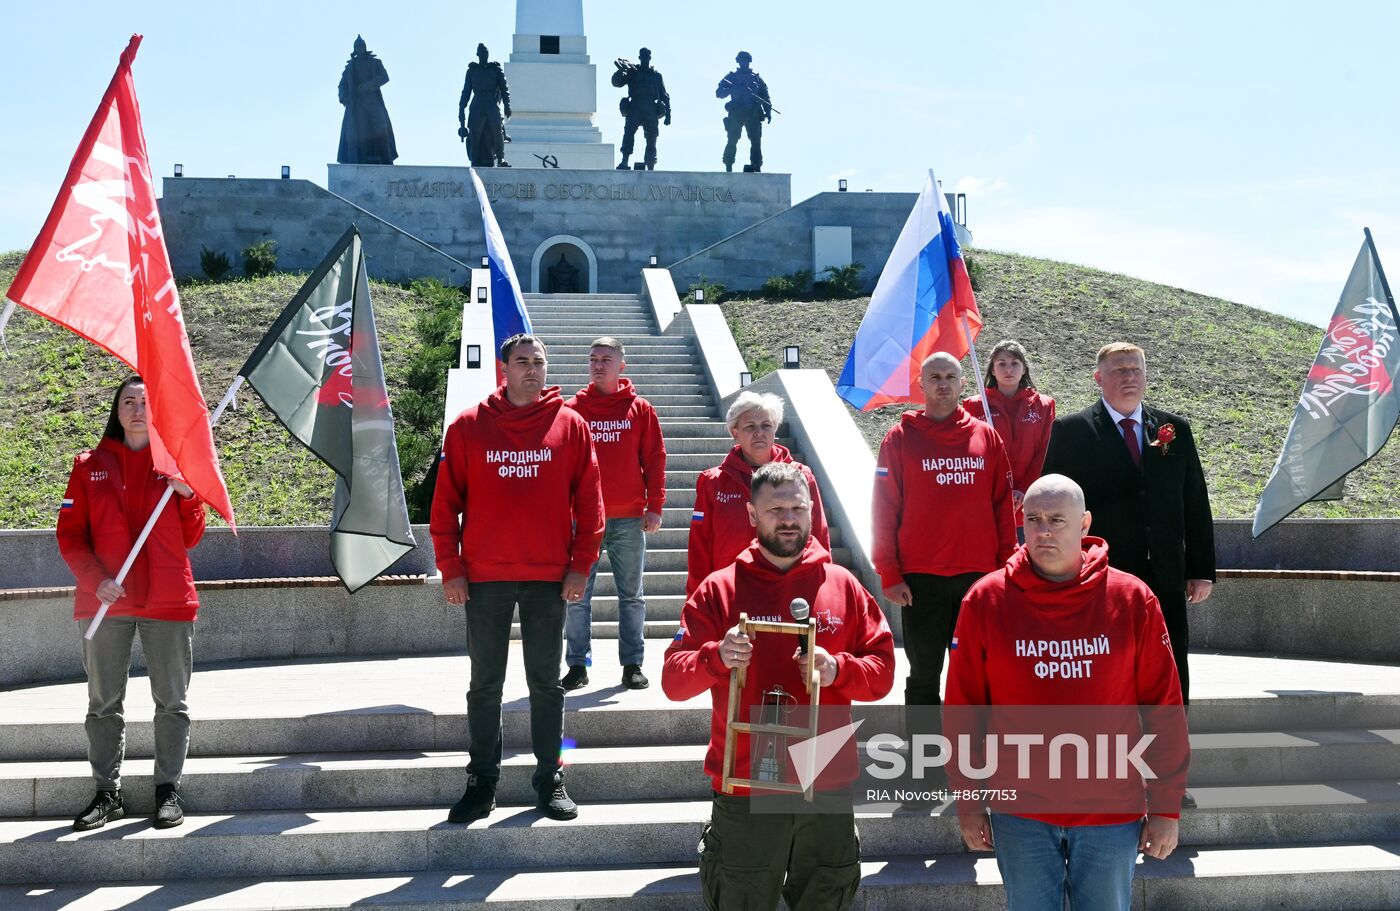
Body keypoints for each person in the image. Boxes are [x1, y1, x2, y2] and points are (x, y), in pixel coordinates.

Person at [945, 474, 1189, 911]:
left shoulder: (1132, 599)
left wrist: (1167, 806)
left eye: (1057, 519)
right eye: (1033, 519)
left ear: (1084, 523)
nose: (1043, 531)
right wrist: (968, 800)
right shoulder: (985, 600)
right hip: (1020, 814)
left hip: (1111, 813)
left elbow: (1163, 709)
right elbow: (964, 711)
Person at [663, 462, 895, 911]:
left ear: (812, 510)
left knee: (827, 899)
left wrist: (839, 669)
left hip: (823, 780)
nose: (788, 519)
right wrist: (716, 656)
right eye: (775, 510)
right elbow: (674, 679)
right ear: (751, 515)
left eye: (797, 507)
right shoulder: (720, 590)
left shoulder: (843, 586)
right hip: (748, 784)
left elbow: (882, 672)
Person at [430, 333, 604, 823]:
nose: (533, 369)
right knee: (485, 685)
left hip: (550, 578)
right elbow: (445, 505)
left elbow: (591, 503)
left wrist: (580, 566)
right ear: (503, 369)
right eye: (523, 361)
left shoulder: (570, 426)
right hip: (484, 578)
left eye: (540, 361)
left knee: (547, 685)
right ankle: (481, 781)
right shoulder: (468, 427)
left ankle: (550, 777)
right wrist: (451, 568)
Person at [57, 376, 207, 831]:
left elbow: (192, 537)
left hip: (167, 599)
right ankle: (108, 793)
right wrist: (95, 579)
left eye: (145, 400)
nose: (138, 408)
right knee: (103, 703)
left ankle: (168, 790)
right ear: (117, 410)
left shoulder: (176, 467)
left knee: (172, 703)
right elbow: (70, 535)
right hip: (106, 602)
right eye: (128, 401)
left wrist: (187, 494)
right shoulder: (89, 465)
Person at [872, 352, 1015, 795]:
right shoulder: (899, 438)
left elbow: (1002, 508)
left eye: (951, 376)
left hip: (979, 580)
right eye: (934, 377)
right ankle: (924, 772)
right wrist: (889, 572)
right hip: (921, 582)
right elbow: (884, 509)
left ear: (961, 383)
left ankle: (978, 771)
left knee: (980, 679)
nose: (943, 384)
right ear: (921, 382)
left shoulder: (986, 438)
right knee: (924, 677)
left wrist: (1008, 569)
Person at [1041, 342, 1215, 706]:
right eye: (1120, 370)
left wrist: (1201, 569)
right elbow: (1053, 507)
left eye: (1136, 369)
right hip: (1103, 576)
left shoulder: (1174, 429)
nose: (1130, 377)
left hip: (1165, 574)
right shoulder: (1071, 431)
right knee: (1109, 668)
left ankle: (1170, 749)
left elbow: (1195, 501)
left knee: (1169, 666)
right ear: (1098, 378)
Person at [562, 337, 667, 691]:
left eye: (606, 359)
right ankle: (577, 665)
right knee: (577, 596)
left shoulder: (640, 408)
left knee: (632, 595)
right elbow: (562, 463)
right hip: (584, 519)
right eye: (593, 359)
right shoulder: (573, 408)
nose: (598, 365)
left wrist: (655, 506)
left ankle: (632, 664)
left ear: (622, 365)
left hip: (627, 518)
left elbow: (654, 459)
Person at [687, 391, 829, 596]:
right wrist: (697, 599)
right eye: (750, 427)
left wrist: (825, 587)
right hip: (732, 591)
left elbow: (820, 537)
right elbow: (699, 547)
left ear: (775, 429)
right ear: (735, 432)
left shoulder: (802, 476)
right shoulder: (713, 482)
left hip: (790, 590)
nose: (759, 433)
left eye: (766, 426)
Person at [962, 339, 1055, 537]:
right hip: (988, 504)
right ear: (993, 370)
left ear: (1024, 369)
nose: (1008, 369)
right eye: (1001, 364)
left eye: (1014, 363)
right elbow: (971, 456)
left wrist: (1023, 489)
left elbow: (1044, 452)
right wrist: (1000, 491)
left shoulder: (1044, 405)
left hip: (1030, 505)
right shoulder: (974, 406)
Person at [337, 36, 399, 165]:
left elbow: (384, 77)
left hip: (373, 103)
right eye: (357, 47)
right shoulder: (350, 68)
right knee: (361, 134)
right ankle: (362, 161)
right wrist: (344, 98)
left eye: (362, 46)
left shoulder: (375, 63)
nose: (360, 49)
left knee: (381, 129)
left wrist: (367, 85)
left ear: (365, 48)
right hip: (357, 106)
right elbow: (342, 85)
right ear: (354, 49)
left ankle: (386, 160)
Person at [612, 47, 671, 171]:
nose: (644, 57)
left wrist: (668, 115)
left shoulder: (656, 75)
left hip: (650, 108)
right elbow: (617, 83)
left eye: (647, 55)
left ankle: (650, 165)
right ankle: (624, 161)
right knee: (628, 132)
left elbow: (664, 95)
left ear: (650, 57)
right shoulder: (632, 72)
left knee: (652, 137)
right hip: (635, 106)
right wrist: (620, 71)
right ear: (639, 57)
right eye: (642, 55)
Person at [715, 50, 772, 173]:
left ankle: (757, 166)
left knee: (756, 141)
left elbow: (765, 96)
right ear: (738, 61)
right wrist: (732, 89)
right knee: (732, 140)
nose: (743, 63)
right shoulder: (731, 77)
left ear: (749, 62)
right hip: (736, 112)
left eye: (745, 61)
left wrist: (768, 112)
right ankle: (728, 165)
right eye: (741, 61)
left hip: (753, 112)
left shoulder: (757, 79)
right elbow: (719, 93)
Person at [458, 43, 511, 168]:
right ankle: (475, 160)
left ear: (488, 54)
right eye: (481, 53)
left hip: (491, 103)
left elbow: (504, 88)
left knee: (497, 131)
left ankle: (500, 158)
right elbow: (466, 91)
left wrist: (507, 105)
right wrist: (461, 107)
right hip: (477, 103)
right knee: (475, 133)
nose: (484, 55)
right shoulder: (472, 71)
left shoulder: (495, 70)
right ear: (477, 54)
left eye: (485, 53)